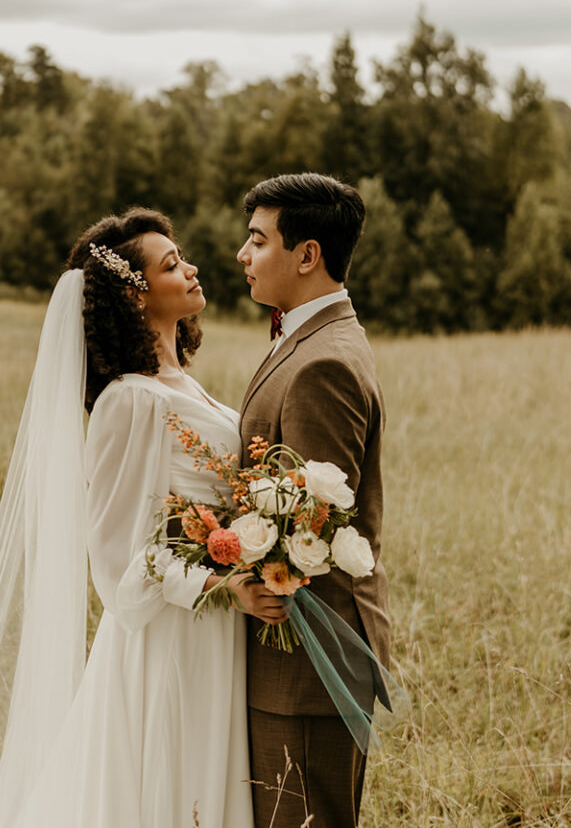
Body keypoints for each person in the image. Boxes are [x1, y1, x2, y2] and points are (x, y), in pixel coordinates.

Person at [0, 207, 257, 828]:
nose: (192, 267)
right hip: (172, 641)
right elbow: (119, 559)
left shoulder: (182, 385)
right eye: (171, 264)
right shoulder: (128, 401)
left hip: (217, 628)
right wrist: (220, 584)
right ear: (133, 292)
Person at [235, 173, 393, 828]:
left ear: (307, 255)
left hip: (306, 663)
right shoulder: (307, 338)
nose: (243, 255)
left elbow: (313, 531)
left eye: (258, 240)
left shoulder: (322, 360)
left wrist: (231, 572)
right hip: (296, 659)